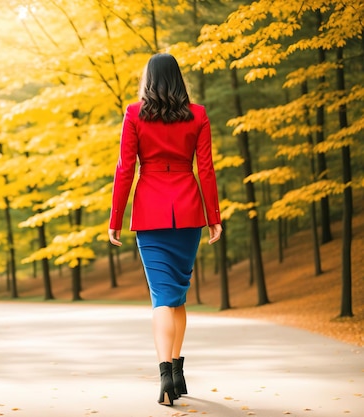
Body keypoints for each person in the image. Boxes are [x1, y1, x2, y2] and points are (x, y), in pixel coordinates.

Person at [108, 53, 222, 407]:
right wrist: (214, 215)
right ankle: (177, 369)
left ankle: (165, 374)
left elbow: (126, 168)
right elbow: (206, 169)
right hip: (188, 212)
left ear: (148, 79)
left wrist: (115, 219)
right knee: (178, 295)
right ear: (178, 79)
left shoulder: (134, 114)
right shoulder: (198, 115)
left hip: (150, 213)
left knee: (163, 297)